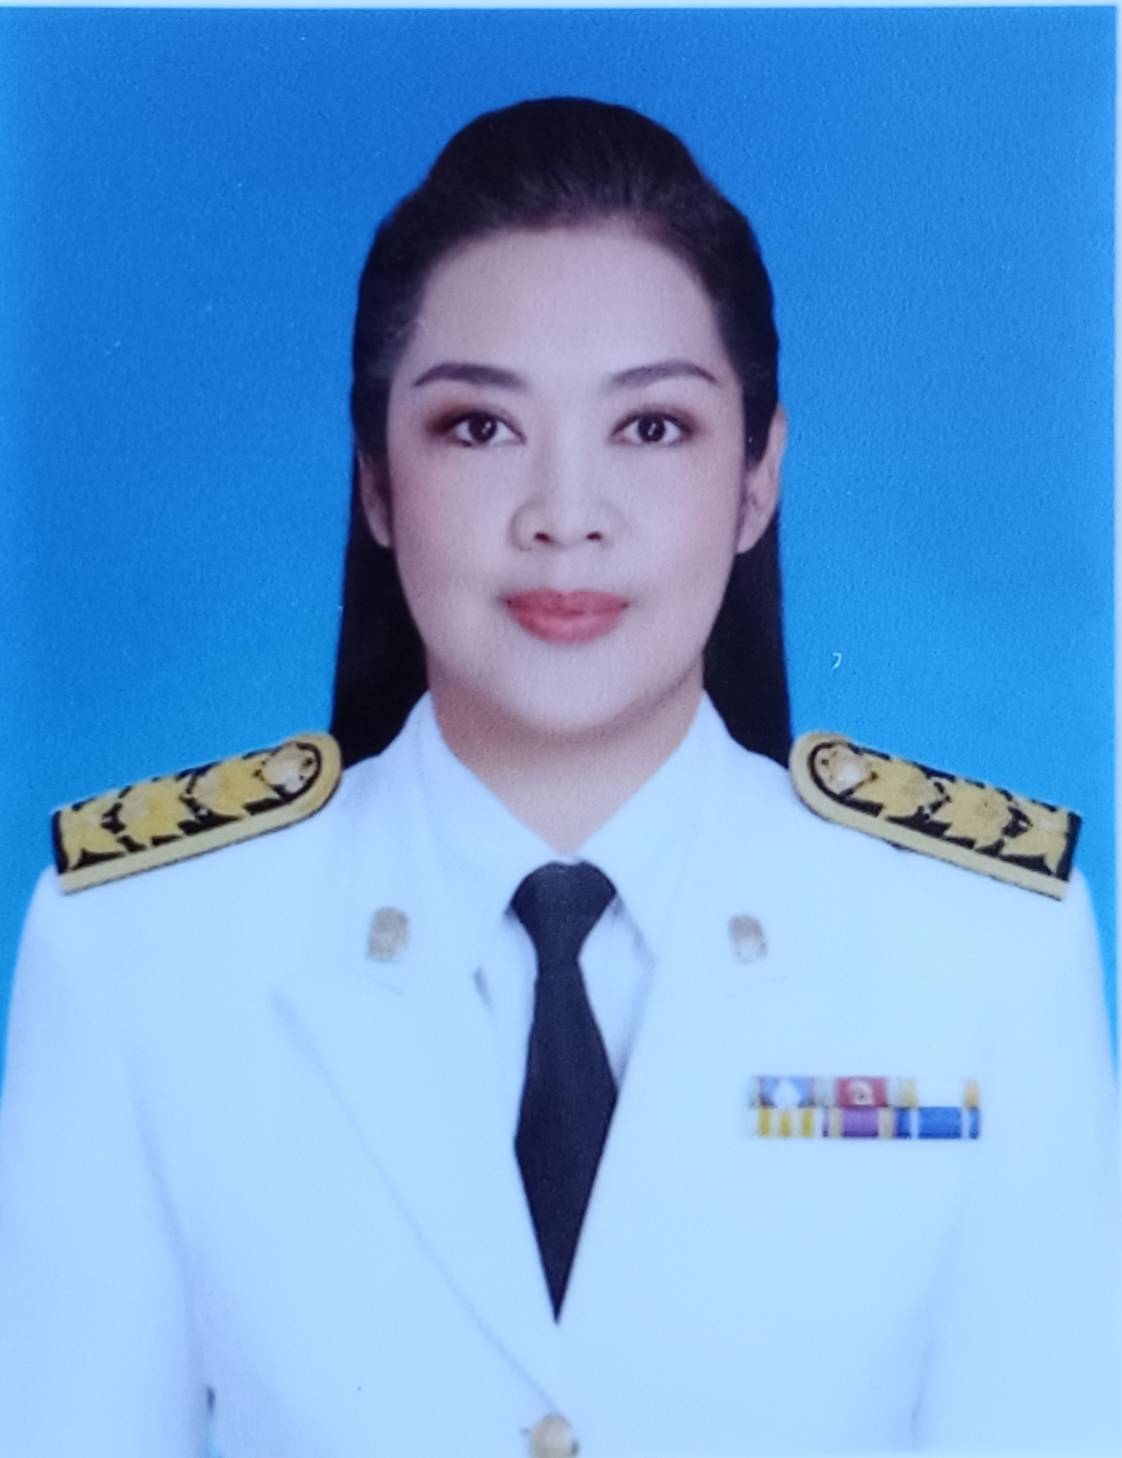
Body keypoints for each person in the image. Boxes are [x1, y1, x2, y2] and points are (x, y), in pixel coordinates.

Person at [0, 97, 1118, 1458]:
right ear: (376, 482)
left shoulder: (985, 951)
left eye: (651, 427)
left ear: (757, 477)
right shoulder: (135, 950)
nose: (563, 515)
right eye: (480, 427)